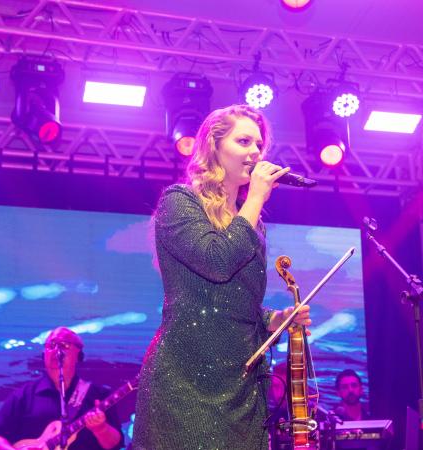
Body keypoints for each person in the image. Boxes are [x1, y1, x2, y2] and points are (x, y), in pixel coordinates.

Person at [131, 104, 312, 450]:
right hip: (186, 381)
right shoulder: (179, 201)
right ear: (213, 145)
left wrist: (275, 320)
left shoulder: (252, 223)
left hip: (240, 386)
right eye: (244, 141)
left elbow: (235, 301)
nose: (256, 152)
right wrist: (256, 197)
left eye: (259, 144)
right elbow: (216, 262)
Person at [0, 327, 124, 450]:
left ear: (78, 355)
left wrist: (101, 429)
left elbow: (115, 445)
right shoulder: (24, 395)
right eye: (51, 346)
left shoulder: (99, 395)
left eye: (63, 345)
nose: (56, 351)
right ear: (44, 354)